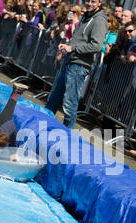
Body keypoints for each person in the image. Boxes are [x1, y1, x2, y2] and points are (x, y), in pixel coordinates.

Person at [45, 0, 108, 129]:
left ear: (100, 2)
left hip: (79, 65)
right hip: (70, 61)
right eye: (87, 1)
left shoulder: (100, 20)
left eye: (93, 1)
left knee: (69, 102)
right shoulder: (86, 15)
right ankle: (43, 123)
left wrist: (73, 48)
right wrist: (68, 46)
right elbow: (78, 39)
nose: (89, 3)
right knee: (54, 97)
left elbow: (96, 45)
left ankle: (67, 133)